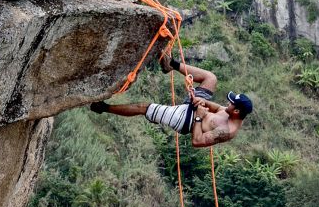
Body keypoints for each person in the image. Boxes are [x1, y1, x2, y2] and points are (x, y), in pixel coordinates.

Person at [90, 53, 253, 148]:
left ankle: (103, 107)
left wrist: (198, 116)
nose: (229, 104)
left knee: (143, 107)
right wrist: (201, 103)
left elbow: (197, 141)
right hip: (196, 109)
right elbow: (217, 108)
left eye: (232, 104)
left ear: (237, 111)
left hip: (185, 120)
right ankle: (171, 64)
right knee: (211, 78)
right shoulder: (233, 114)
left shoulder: (227, 131)